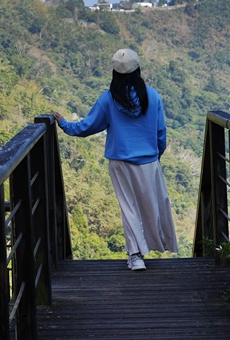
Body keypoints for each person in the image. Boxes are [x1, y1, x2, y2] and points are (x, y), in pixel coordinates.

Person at [53, 48, 178, 271]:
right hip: (149, 162)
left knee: (128, 207)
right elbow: (161, 132)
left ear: (115, 73)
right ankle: (161, 243)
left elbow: (87, 126)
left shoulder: (108, 99)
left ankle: (136, 256)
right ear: (138, 69)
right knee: (153, 206)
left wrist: (65, 124)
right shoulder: (153, 96)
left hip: (120, 162)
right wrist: (155, 155)